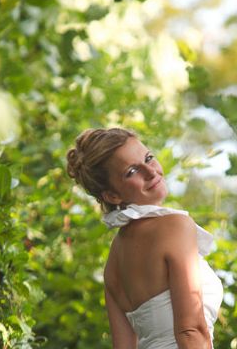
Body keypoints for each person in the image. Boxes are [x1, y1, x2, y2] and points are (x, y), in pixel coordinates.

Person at [66, 127, 223, 349]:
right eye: (131, 172)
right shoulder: (174, 226)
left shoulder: (114, 261)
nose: (150, 172)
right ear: (112, 195)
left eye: (148, 158)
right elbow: (191, 331)